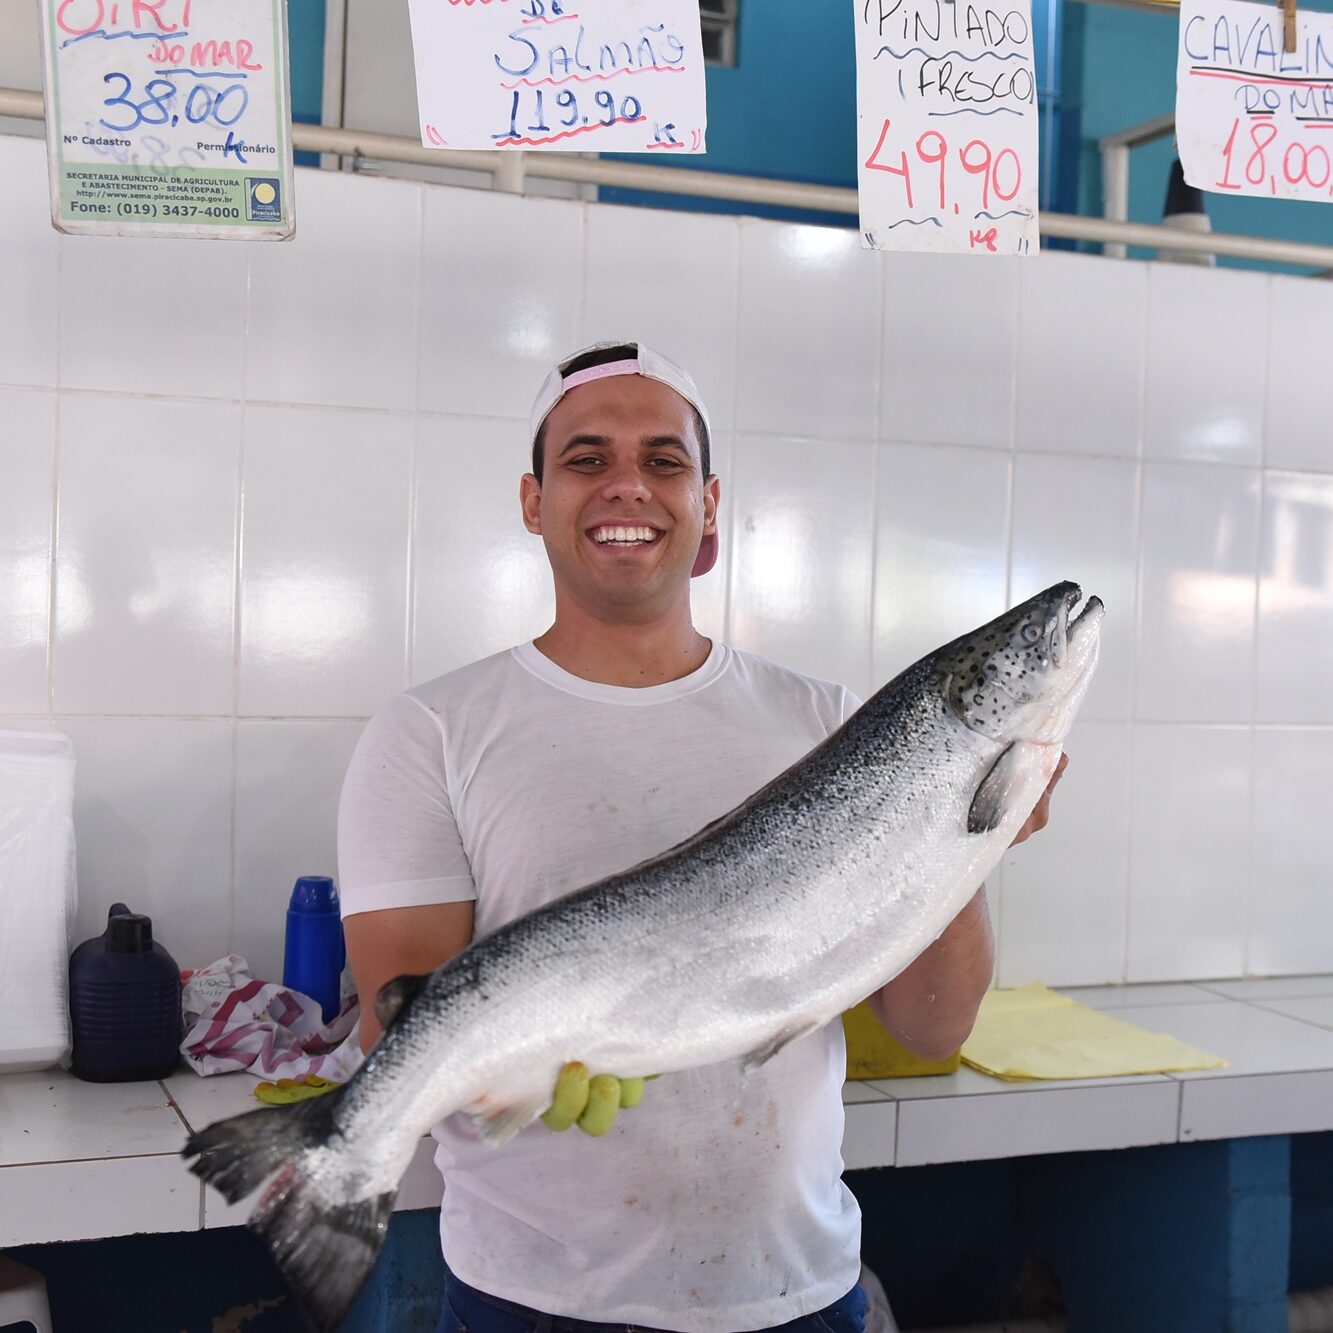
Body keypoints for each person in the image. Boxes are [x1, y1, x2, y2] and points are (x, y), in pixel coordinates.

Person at [336, 341, 1066, 1333]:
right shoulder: (431, 730)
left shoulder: (832, 725)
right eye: (586, 458)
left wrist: (960, 835)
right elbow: (398, 1026)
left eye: (664, 460)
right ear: (532, 498)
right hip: (535, 1300)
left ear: (710, 505)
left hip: (796, 1287)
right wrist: (517, 1066)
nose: (626, 484)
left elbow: (934, 1029)